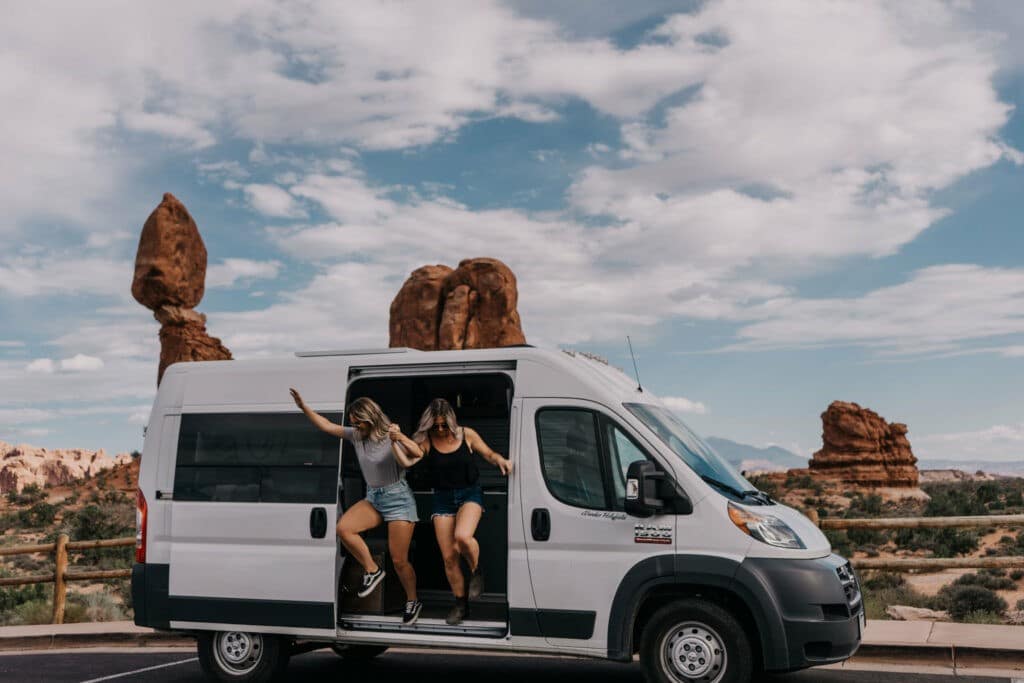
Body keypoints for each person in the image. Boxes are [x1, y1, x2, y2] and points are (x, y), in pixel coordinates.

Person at [289, 388, 422, 625]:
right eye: (352, 422)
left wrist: (399, 437)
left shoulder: (389, 437)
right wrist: (303, 407)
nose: (354, 425)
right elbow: (327, 426)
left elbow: (417, 452)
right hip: (373, 497)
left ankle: (412, 600)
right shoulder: (357, 436)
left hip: (398, 499)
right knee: (344, 529)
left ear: (369, 418)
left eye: (357, 421)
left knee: (399, 560)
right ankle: (373, 570)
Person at [390, 398, 512, 625]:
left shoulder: (467, 435)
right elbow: (408, 459)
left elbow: (489, 454)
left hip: (469, 493)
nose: (440, 429)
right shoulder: (427, 441)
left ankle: (476, 571)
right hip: (443, 498)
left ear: (451, 421)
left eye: (443, 425)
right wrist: (394, 440)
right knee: (449, 558)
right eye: (435, 426)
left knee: (462, 537)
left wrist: (501, 460)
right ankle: (461, 605)